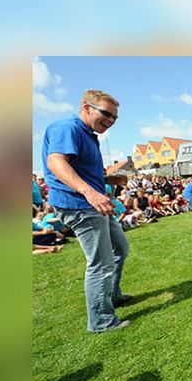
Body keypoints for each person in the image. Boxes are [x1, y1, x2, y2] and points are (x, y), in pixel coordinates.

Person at [43, 89, 133, 333]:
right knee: (101, 263)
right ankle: (101, 320)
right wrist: (90, 193)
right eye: (106, 114)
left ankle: (111, 296)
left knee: (120, 249)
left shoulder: (88, 134)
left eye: (115, 118)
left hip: (93, 203)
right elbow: (56, 162)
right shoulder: (68, 128)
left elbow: (81, 169)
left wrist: (110, 180)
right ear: (86, 108)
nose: (111, 121)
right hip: (81, 205)